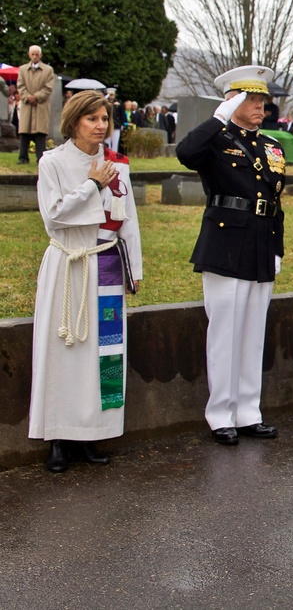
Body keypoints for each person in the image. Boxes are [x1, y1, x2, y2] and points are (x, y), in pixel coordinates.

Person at [28, 90, 143, 472]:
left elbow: (128, 221)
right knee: (65, 349)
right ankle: (58, 438)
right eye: (92, 118)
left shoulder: (117, 165)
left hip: (107, 265)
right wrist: (92, 185)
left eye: (104, 119)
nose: (100, 126)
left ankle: (94, 432)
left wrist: (135, 270)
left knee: (105, 353)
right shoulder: (53, 162)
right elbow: (55, 215)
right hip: (69, 262)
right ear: (74, 121)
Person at [175, 65, 285, 446]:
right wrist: (219, 117)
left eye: (261, 99)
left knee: (253, 334)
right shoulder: (215, 139)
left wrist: (278, 248)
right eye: (250, 98)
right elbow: (185, 153)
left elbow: (275, 201)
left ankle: (247, 411)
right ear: (232, 99)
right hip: (225, 242)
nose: (259, 106)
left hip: (260, 242)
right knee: (225, 333)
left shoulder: (271, 146)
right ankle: (220, 414)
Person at [16, 45, 55, 165]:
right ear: (29, 55)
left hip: (41, 105)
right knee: (24, 131)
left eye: (37, 54)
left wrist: (36, 97)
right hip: (27, 105)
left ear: (40, 55)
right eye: (32, 54)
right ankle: (23, 157)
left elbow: (48, 87)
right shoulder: (22, 69)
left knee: (40, 133)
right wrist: (27, 96)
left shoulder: (48, 70)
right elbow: (20, 85)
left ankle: (40, 158)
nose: (34, 56)